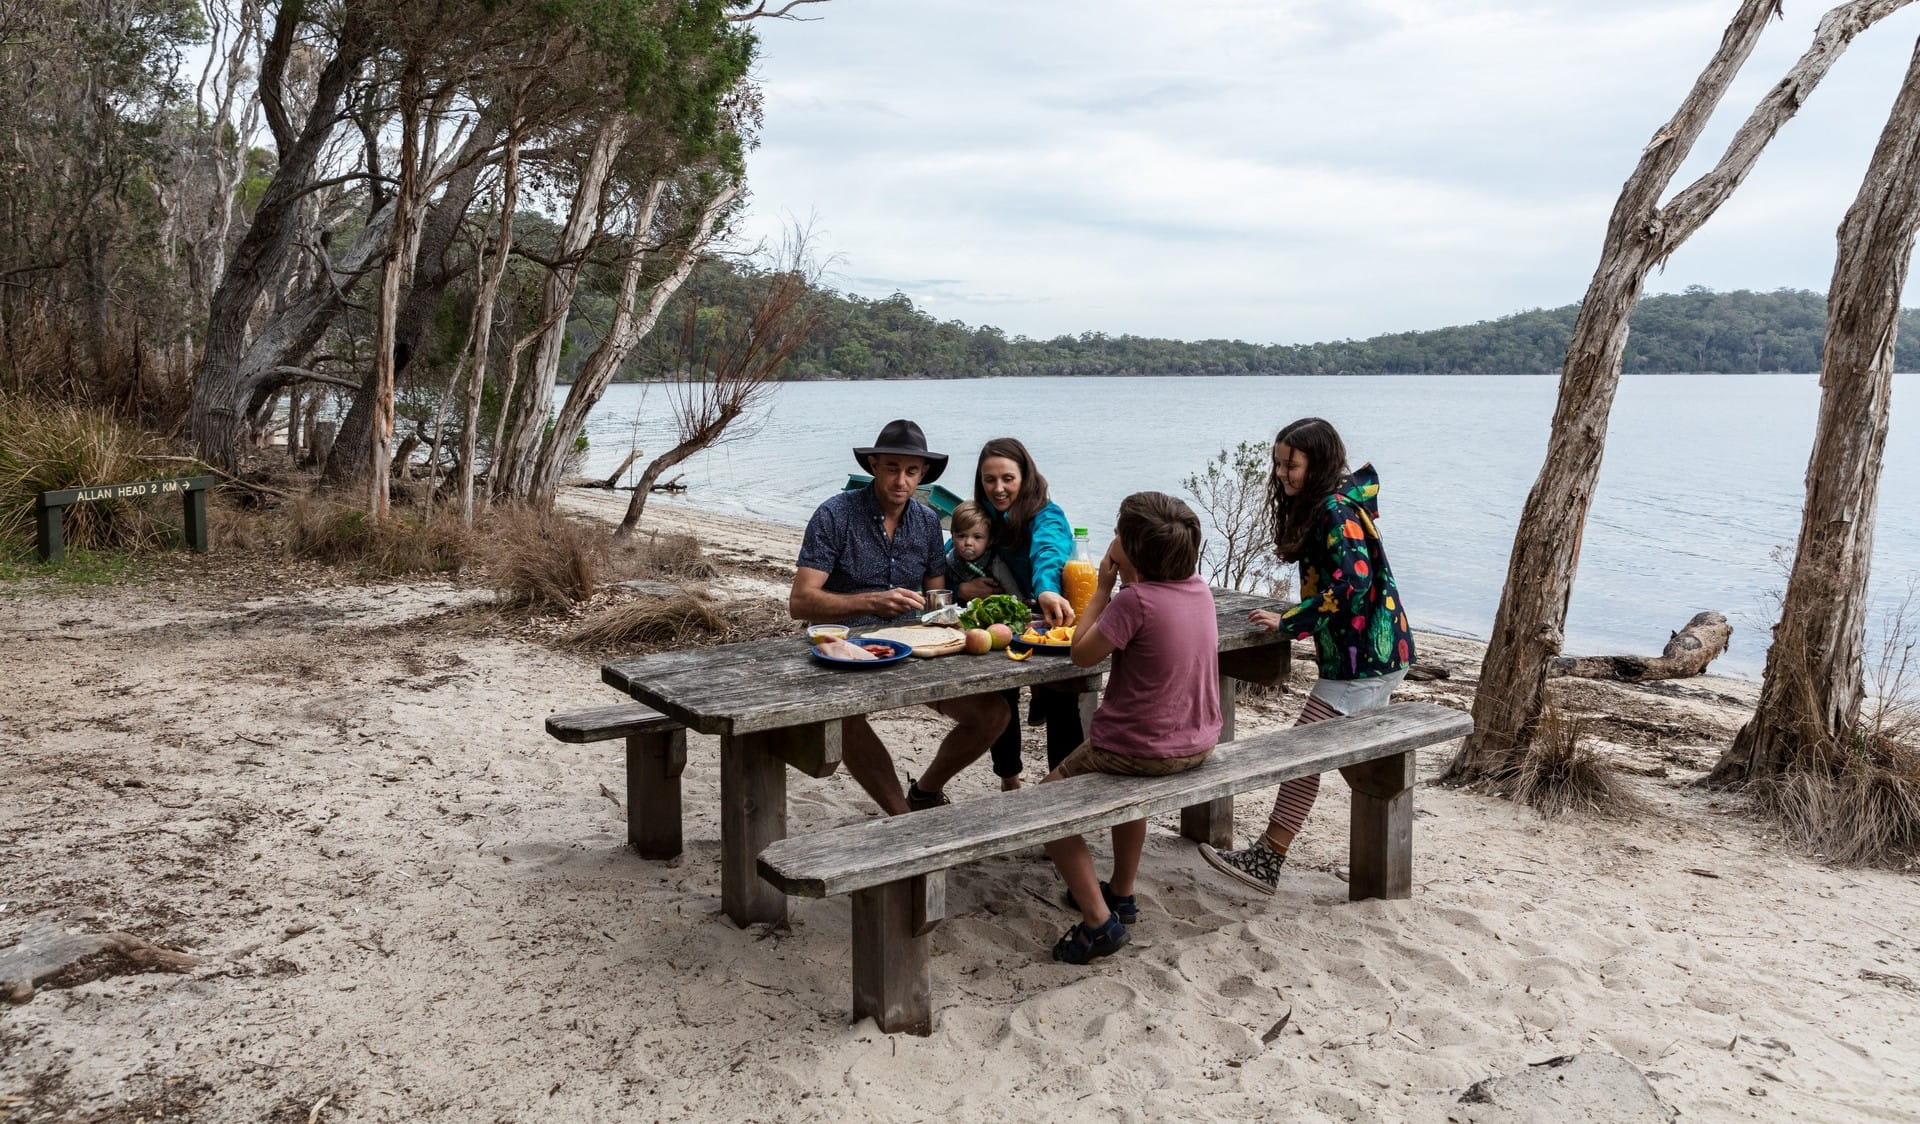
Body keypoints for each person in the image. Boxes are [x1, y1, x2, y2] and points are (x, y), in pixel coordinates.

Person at [1200, 417, 1415, 894]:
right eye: (1278, 463)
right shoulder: (1332, 504)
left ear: (1315, 464)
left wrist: (1290, 622)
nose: (1281, 473)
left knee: (1304, 751)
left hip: (1366, 659)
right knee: (1338, 753)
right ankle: (1372, 853)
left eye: (1291, 464)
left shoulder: (1335, 510)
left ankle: (1269, 857)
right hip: (1374, 652)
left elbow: (1353, 584)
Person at [789, 419, 1008, 815]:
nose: (900, 481)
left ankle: (924, 790)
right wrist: (870, 602)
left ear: (923, 474)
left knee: (995, 714)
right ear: (874, 464)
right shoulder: (835, 515)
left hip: (912, 646)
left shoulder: (925, 522)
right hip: (843, 648)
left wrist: (959, 611)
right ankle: (902, 819)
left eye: (911, 471)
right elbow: (801, 602)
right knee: (846, 721)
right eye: (892, 468)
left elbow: (935, 599)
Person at [1044, 492, 1221, 964]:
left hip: (1138, 749)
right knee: (1129, 789)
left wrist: (1102, 590)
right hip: (1198, 741)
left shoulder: (1135, 601)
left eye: (1119, 533)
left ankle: (1100, 922)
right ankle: (1121, 891)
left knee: (1044, 806)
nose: (1113, 539)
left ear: (1133, 551)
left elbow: (1080, 653)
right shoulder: (1199, 590)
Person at [960, 437, 1085, 784]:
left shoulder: (1048, 515)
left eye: (1007, 479)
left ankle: (1064, 788)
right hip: (1004, 622)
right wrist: (960, 588)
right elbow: (956, 551)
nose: (998, 488)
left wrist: (1045, 588)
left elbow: (1049, 552)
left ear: (1025, 476)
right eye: (990, 480)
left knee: (1063, 702)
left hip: (1053, 618)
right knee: (1001, 698)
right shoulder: (985, 515)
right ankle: (1009, 780)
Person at [942, 500, 1021, 598]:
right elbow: (940, 589)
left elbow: (1011, 587)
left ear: (990, 540)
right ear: (952, 536)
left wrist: (1019, 602)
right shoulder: (949, 561)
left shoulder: (994, 563)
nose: (968, 543)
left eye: (977, 537)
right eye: (961, 536)